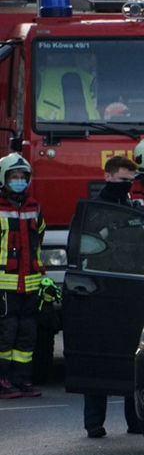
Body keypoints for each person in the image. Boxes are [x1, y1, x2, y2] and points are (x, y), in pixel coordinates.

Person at [82, 155, 141, 436]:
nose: (126, 185)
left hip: (130, 287)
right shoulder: (95, 209)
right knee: (99, 357)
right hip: (101, 289)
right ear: (107, 176)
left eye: (130, 180)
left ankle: (135, 420)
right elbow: (85, 245)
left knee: (132, 356)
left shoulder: (130, 204)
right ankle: (94, 423)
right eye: (122, 180)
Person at [0, 154, 46, 400]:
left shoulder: (34, 207)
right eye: (13, 177)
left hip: (30, 284)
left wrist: (42, 275)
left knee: (27, 335)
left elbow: (39, 239)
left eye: (22, 177)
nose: (18, 181)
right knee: (5, 335)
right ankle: (2, 380)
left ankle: (21, 380)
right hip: (3, 285)